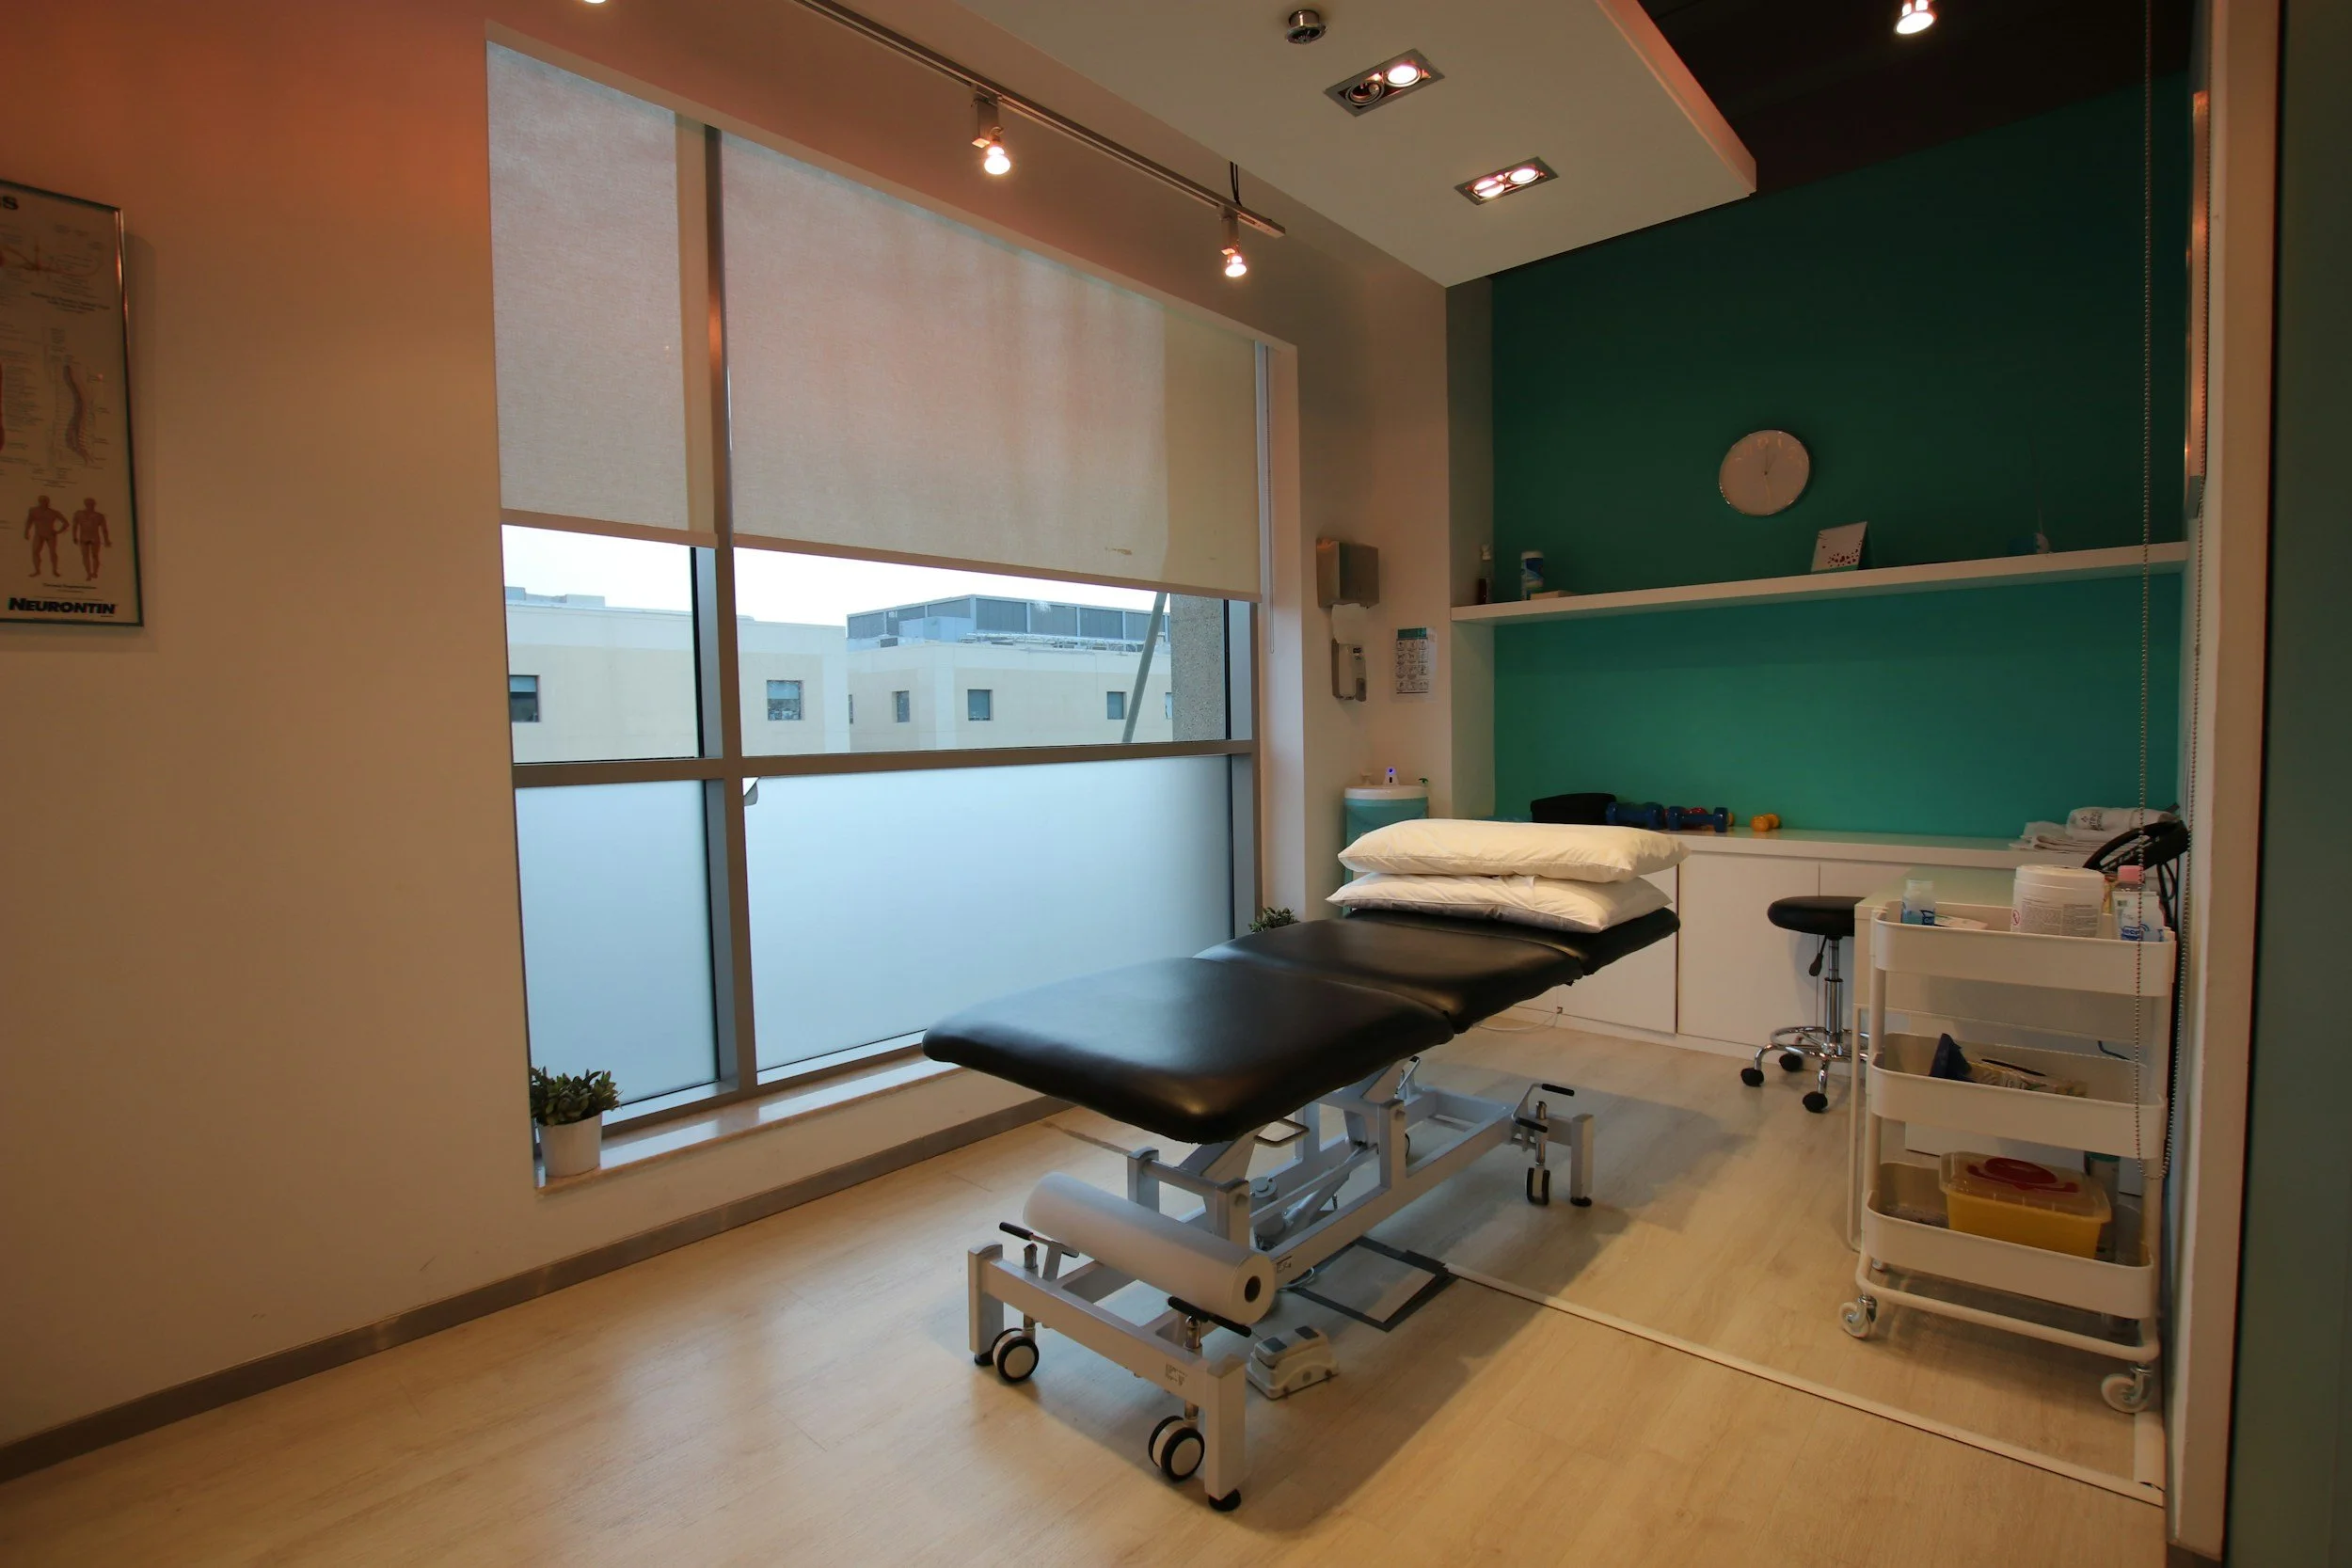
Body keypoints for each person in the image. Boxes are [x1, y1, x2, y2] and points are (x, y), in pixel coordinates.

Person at [24, 495, 67, 578]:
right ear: (39, 502)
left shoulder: (53, 512)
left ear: (48, 502)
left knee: (52, 553)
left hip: (50, 535)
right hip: (39, 534)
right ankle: (37, 570)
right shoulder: (34, 511)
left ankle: (54, 570)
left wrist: (58, 531)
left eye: (45, 501)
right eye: (42, 501)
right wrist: (26, 532)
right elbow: (29, 522)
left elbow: (66, 523)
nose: (43, 503)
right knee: (35, 552)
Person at [71, 497, 108, 581]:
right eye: (88, 504)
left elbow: (104, 529)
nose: (90, 506)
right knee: (85, 556)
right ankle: (88, 573)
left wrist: (106, 540)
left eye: (91, 504)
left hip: (94, 537)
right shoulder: (79, 514)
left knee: (94, 555)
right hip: (84, 537)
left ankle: (94, 572)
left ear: (94, 505)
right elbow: (75, 526)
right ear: (85, 504)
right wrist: (74, 536)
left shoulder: (99, 516)